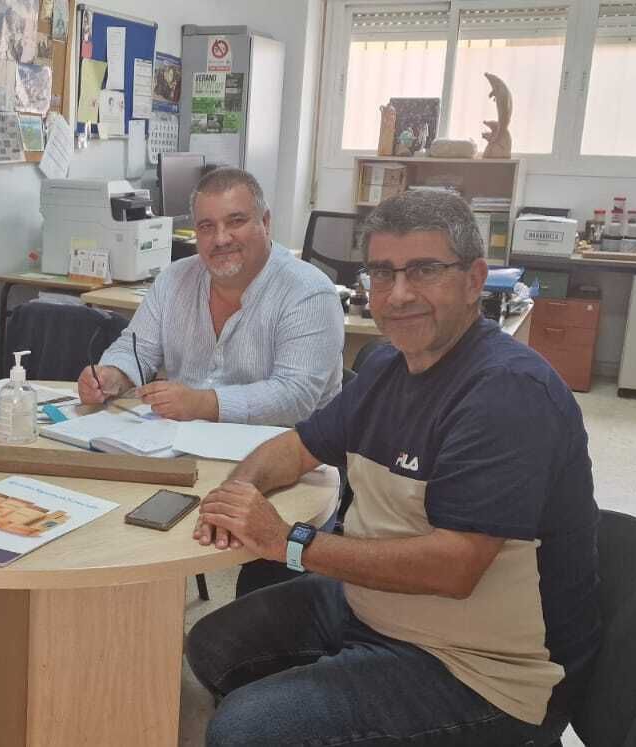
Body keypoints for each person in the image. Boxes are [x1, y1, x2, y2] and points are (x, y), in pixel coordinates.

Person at [184, 190, 600, 746]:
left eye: (424, 270)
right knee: (209, 646)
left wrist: (287, 540)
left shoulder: (506, 393)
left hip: (482, 670)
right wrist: (236, 493)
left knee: (245, 729)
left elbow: (452, 569)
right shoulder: (386, 366)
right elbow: (297, 447)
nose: (399, 294)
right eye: (382, 273)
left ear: (475, 279)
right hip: (374, 608)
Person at [77, 167, 343, 427]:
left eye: (235, 221)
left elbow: (294, 397)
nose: (221, 239)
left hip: (286, 452)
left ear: (265, 222)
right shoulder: (174, 279)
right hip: (181, 443)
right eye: (206, 227)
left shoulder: (309, 292)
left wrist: (203, 404)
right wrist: (113, 374)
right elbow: (137, 350)